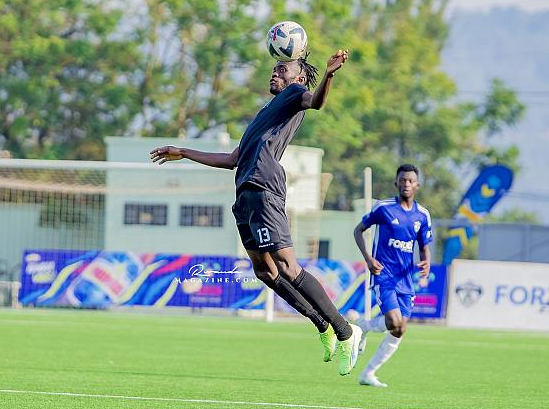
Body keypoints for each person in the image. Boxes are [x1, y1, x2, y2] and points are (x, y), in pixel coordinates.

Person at [150, 50, 361, 376]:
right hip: (245, 194)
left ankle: (346, 331)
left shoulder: (295, 94)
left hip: (264, 188)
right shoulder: (266, 112)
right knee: (265, 271)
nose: (275, 72)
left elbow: (316, 102)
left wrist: (329, 74)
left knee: (287, 267)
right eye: (274, 68)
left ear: (298, 77)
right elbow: (231, 159)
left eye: (282, 68)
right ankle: (323, 325)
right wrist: (184, 152)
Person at [352, 164, 432, 387]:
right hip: (383, 275)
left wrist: (426, 262)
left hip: (405, 279)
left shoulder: (422, 215)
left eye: (411, 181)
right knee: (394, 321)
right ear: (396, 182)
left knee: (399, 329)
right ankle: (364, 327)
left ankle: (368, 371)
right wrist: (368, 259)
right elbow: (358, 230)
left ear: (417, 185)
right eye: (403, 180)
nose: (406, 184)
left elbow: (424, 246)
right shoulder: (384, 208)